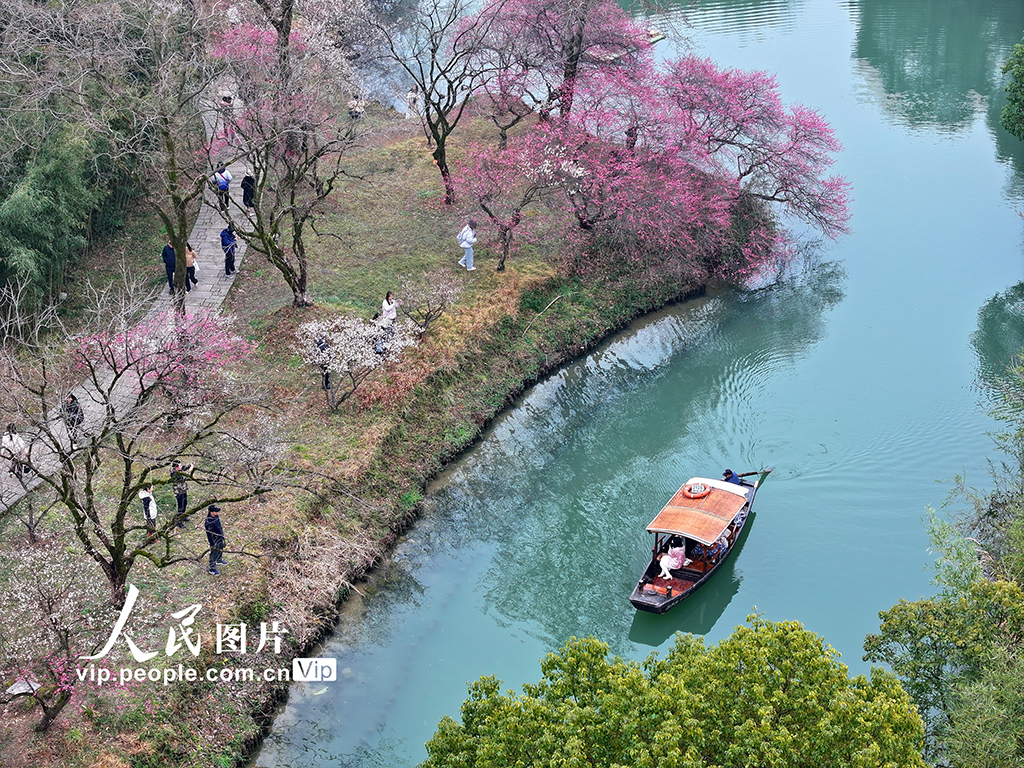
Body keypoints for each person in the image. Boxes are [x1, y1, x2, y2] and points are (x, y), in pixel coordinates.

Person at [170, 460, 195, 527]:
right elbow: (185, 476)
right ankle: (178, 521)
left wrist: (189, 465)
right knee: (181, 506)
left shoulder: (178, 469)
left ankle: (183, 516)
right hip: (179, 492)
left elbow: (183, 467)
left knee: (185, 503)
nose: (181, 466)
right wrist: (191, 469)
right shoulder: (175, 474)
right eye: (180, 466)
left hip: (183, 490)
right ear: (176, 468)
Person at [205, 505, 227, 575]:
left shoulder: (216, 517)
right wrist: (213, 543)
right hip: (214, 540)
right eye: (215, 511)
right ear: (211, 512)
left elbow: (219, 526)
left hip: (220, 537)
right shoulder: (209, 521)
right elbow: (210, 534)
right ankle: (212, 568)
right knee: (214, 552)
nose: (217, 512)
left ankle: (219, 560)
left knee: (221, 548)